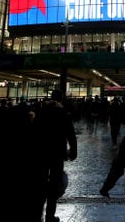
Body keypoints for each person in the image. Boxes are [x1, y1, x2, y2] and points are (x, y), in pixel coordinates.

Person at [33, 89, 78, 222]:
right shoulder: (63, 113)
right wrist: (73, 150)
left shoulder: (41, 112)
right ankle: (50, 215)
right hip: (57, 153)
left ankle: (37, 213)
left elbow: (33, 132)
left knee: (40, 183)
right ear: (62, 99)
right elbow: (70, 134)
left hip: (41, 153)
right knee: (54, 183)